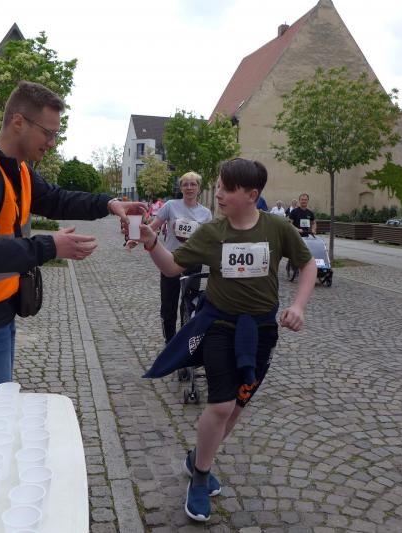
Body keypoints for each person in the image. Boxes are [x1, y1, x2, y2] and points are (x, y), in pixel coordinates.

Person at [127, 158, 316, 522]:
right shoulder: (213, 232)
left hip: (261, 332)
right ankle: (200, 477)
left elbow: (307, 264)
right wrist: (151, 242)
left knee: (237, 407)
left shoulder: (277, 228)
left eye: (227, 189)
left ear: (252, 195)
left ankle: (198, 457)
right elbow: (172, 266)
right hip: (219, 325)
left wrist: (299, 306)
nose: (219, 194)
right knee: (221, 405)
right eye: (218, 187)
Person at [0, 81, 144, 388]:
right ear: (18, 122)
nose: (52, 142)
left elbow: (56, 199)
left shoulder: (16, 169)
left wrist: (109, 204)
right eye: (48, 132)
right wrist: (50, 246)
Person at [149, 172, 212, 343]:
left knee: (189, 304)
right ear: (181, 187)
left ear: (199, 188)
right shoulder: (171, 206)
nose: (189, 188)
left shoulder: (206, 213)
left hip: (193, 263)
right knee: (168, 304)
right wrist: (137, 238)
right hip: (170, 260)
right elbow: (153, 227)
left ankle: (184, 342)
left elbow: (208, 239)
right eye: (185, 184)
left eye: (193, 184)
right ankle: (169, 340)